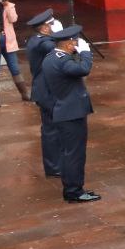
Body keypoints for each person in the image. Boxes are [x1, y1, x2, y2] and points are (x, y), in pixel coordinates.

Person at [41, 25, 100, 203]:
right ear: (67, 45)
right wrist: (86, 53)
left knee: (69, 153)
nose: (76, 44)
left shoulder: (51, 57)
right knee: (75, 154)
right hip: (71, 112)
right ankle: (74, 190)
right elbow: (83, 69)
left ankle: (72, 187)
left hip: (63, 110)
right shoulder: (63, 61)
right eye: (74, 42)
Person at [25, 9, 61, 177]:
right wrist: (61, 37)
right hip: (47, 91)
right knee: (51, 130)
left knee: (50, 128)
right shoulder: (43, 42)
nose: (53, 27)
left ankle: (54, 165)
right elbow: (53, 47)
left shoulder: (35, 39)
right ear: (44, 28)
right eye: (51, 25)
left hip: (43, 89)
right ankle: (54, 167)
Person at [0, 0, 30, 104]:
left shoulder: (10, 6)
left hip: (8, 41)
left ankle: (24, 94)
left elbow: (13, 19)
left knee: (15, 68)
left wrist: (6, 6)